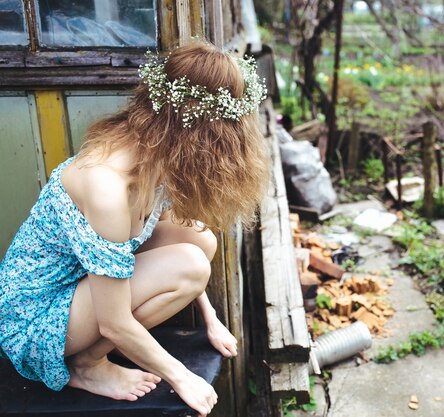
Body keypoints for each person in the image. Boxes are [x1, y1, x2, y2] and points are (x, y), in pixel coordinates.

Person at [0, 41, 270, 417]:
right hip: (37, 315)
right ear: (200, 129)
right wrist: (182, 376)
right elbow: (113, 322)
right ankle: (88, 366)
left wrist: (211, 317)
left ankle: (91, 358)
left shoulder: (154, 146)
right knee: (190, 265)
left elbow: (174, 249)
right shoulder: (108, 187)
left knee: (199, 240)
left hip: (83, 288)